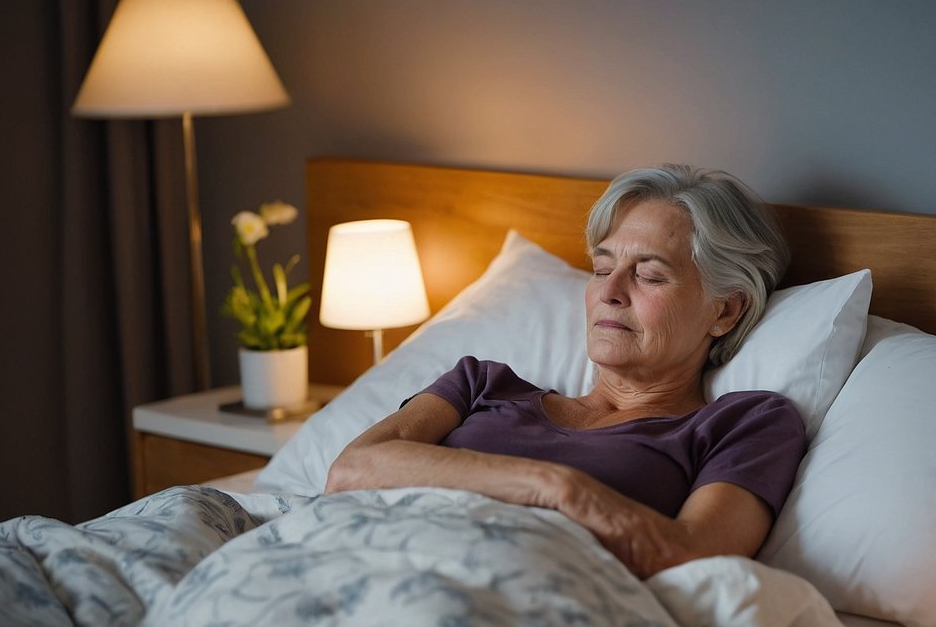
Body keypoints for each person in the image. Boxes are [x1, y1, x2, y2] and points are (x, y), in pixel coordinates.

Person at [325, 164, 805, 579]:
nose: (610, 291)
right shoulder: (481, 383)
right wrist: (555, 488)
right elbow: (350, 472)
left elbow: (695, 557)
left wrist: (562, 492)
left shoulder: (745, 423)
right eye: (601, 269)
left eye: (650, 275)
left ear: (725, 312)